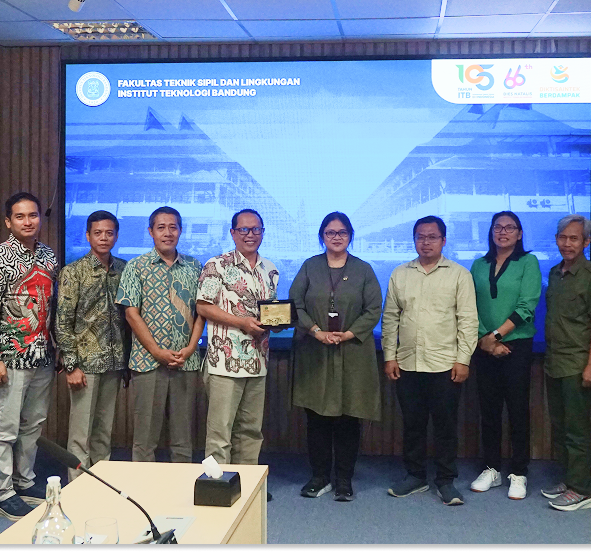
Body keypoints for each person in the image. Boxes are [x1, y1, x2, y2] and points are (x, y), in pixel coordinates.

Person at [383, 216, 478, 506]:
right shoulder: (400, 274)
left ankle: (446, 481)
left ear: (444, 241)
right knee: (412, 424)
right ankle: (415, 477)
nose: (426, 242)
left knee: (445, 425)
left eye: (432, 237)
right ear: (414, 240)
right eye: (420, 237)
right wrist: (390, 356)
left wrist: (463, 359)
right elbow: (390, 319)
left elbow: (468, 320)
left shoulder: (459, 274)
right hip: (408, 363)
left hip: (445, 365)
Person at [290, 212, 382, 502]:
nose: (336, 237)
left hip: (352, 352)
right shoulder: (309, 267)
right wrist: (316, 331)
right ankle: (319, 478)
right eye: (330, 232)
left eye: (342, 232)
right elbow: (295, 304)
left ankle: (344, 480)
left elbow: (374, 308)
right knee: (317, 418)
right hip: (315, 352)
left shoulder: (363, 270)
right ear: (322, 236)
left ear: (350, 235)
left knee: (347, 418)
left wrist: (349, 334)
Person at [0, 192, 59, 520]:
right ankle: (2, 493)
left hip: (42, 355)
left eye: (33, 215)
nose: (28, 221)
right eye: (20, 216)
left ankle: (24, 481)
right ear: (8, 222)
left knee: (34, 424)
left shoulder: (48, 255)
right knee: (6, 428)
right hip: (10, 357)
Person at [117, 207, 205, 464]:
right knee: (145, 438)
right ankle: (144, 496)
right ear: (150, 232)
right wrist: (156, 351)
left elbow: (202, 311)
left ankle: (182, 494)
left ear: (180, 230)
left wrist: (190, 349)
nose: (168, 233)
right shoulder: (136, 266)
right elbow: (131, 313)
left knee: (183, 437)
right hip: (148, 362)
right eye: (161, 227)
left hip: (184, 362)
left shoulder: (195, 266)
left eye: (173, 227)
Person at [196, 209, 280, 475]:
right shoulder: (216, 265)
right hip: (225, 363)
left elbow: (269, 310)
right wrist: (241, 322)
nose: (250, 235)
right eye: (244, 229)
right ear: (233, 233)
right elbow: (203, 307)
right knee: (220, 433)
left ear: (263, 232)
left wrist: (277, 322)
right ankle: (218, 486)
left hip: (258, 361)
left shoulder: (270, 269)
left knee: (251, 431)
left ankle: (248, 485)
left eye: (256, 229)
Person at [468, 211, 542, 501]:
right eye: (498, 227)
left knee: (517, 410)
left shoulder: (528, 262)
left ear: (520, 234)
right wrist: (484, 340)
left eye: (510, 228)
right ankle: (491, 468)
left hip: (516, 346)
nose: (503, 232)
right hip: (484, 346)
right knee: (488, 410)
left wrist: (496, 336)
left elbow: (527, 305)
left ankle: (519, 472)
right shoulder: (478, 264)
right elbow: (468, 305)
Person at [542, 215, 591, 511]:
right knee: (560, 425)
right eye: (563, 238)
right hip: (553, 362)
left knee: (577, 429)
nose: (567, 243)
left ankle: (582, 489)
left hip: (578, 363)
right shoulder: (555, 273)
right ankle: (570, 479)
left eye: (574, 239)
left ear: (586, 242)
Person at [56, 210, 128, 482]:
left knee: (103, 432)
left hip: (114, 363)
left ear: (116, 236)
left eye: (109, 233)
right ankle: (77, 488)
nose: (104, 238)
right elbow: (62, 322)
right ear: (87, 236)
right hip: (84, 365)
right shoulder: (73, 272)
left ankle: (101, 485)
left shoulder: (123, 269)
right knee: (80, 433)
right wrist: (71, 365)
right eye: (98, 233)